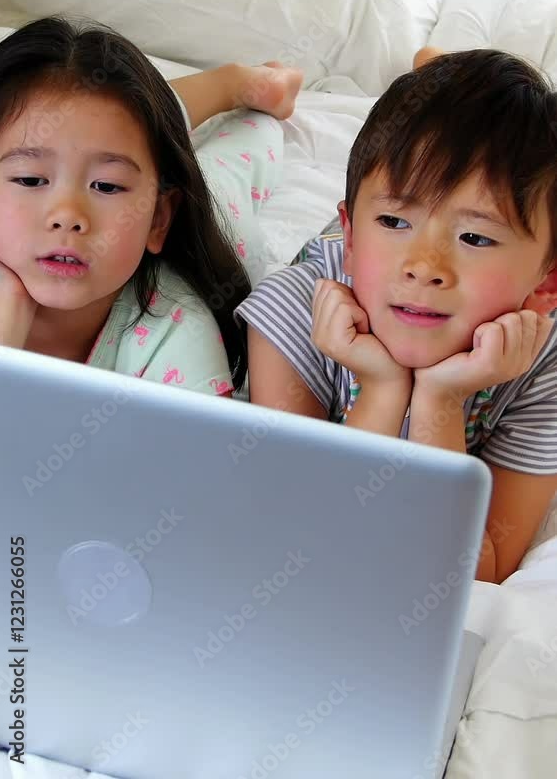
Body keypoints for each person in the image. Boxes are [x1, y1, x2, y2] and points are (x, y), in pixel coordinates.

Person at [237, 47, 557, 584]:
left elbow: (479, 572)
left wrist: (441, 400)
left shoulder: (541, 362)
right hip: (349, 269)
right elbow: (304, 534)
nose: (424, 267)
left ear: (546, 286)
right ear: (354, 236)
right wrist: (382, 389)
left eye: (475, 237)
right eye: (392, 220)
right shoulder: (292, 313)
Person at [0, 15, 302, 396]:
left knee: (222, 154)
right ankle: (232, 82)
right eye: (30, 180)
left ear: (158, 219)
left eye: (106, 186)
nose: (68, 217)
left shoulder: (177, 327)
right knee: (99, 126)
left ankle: (248, 86)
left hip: (219, 210)